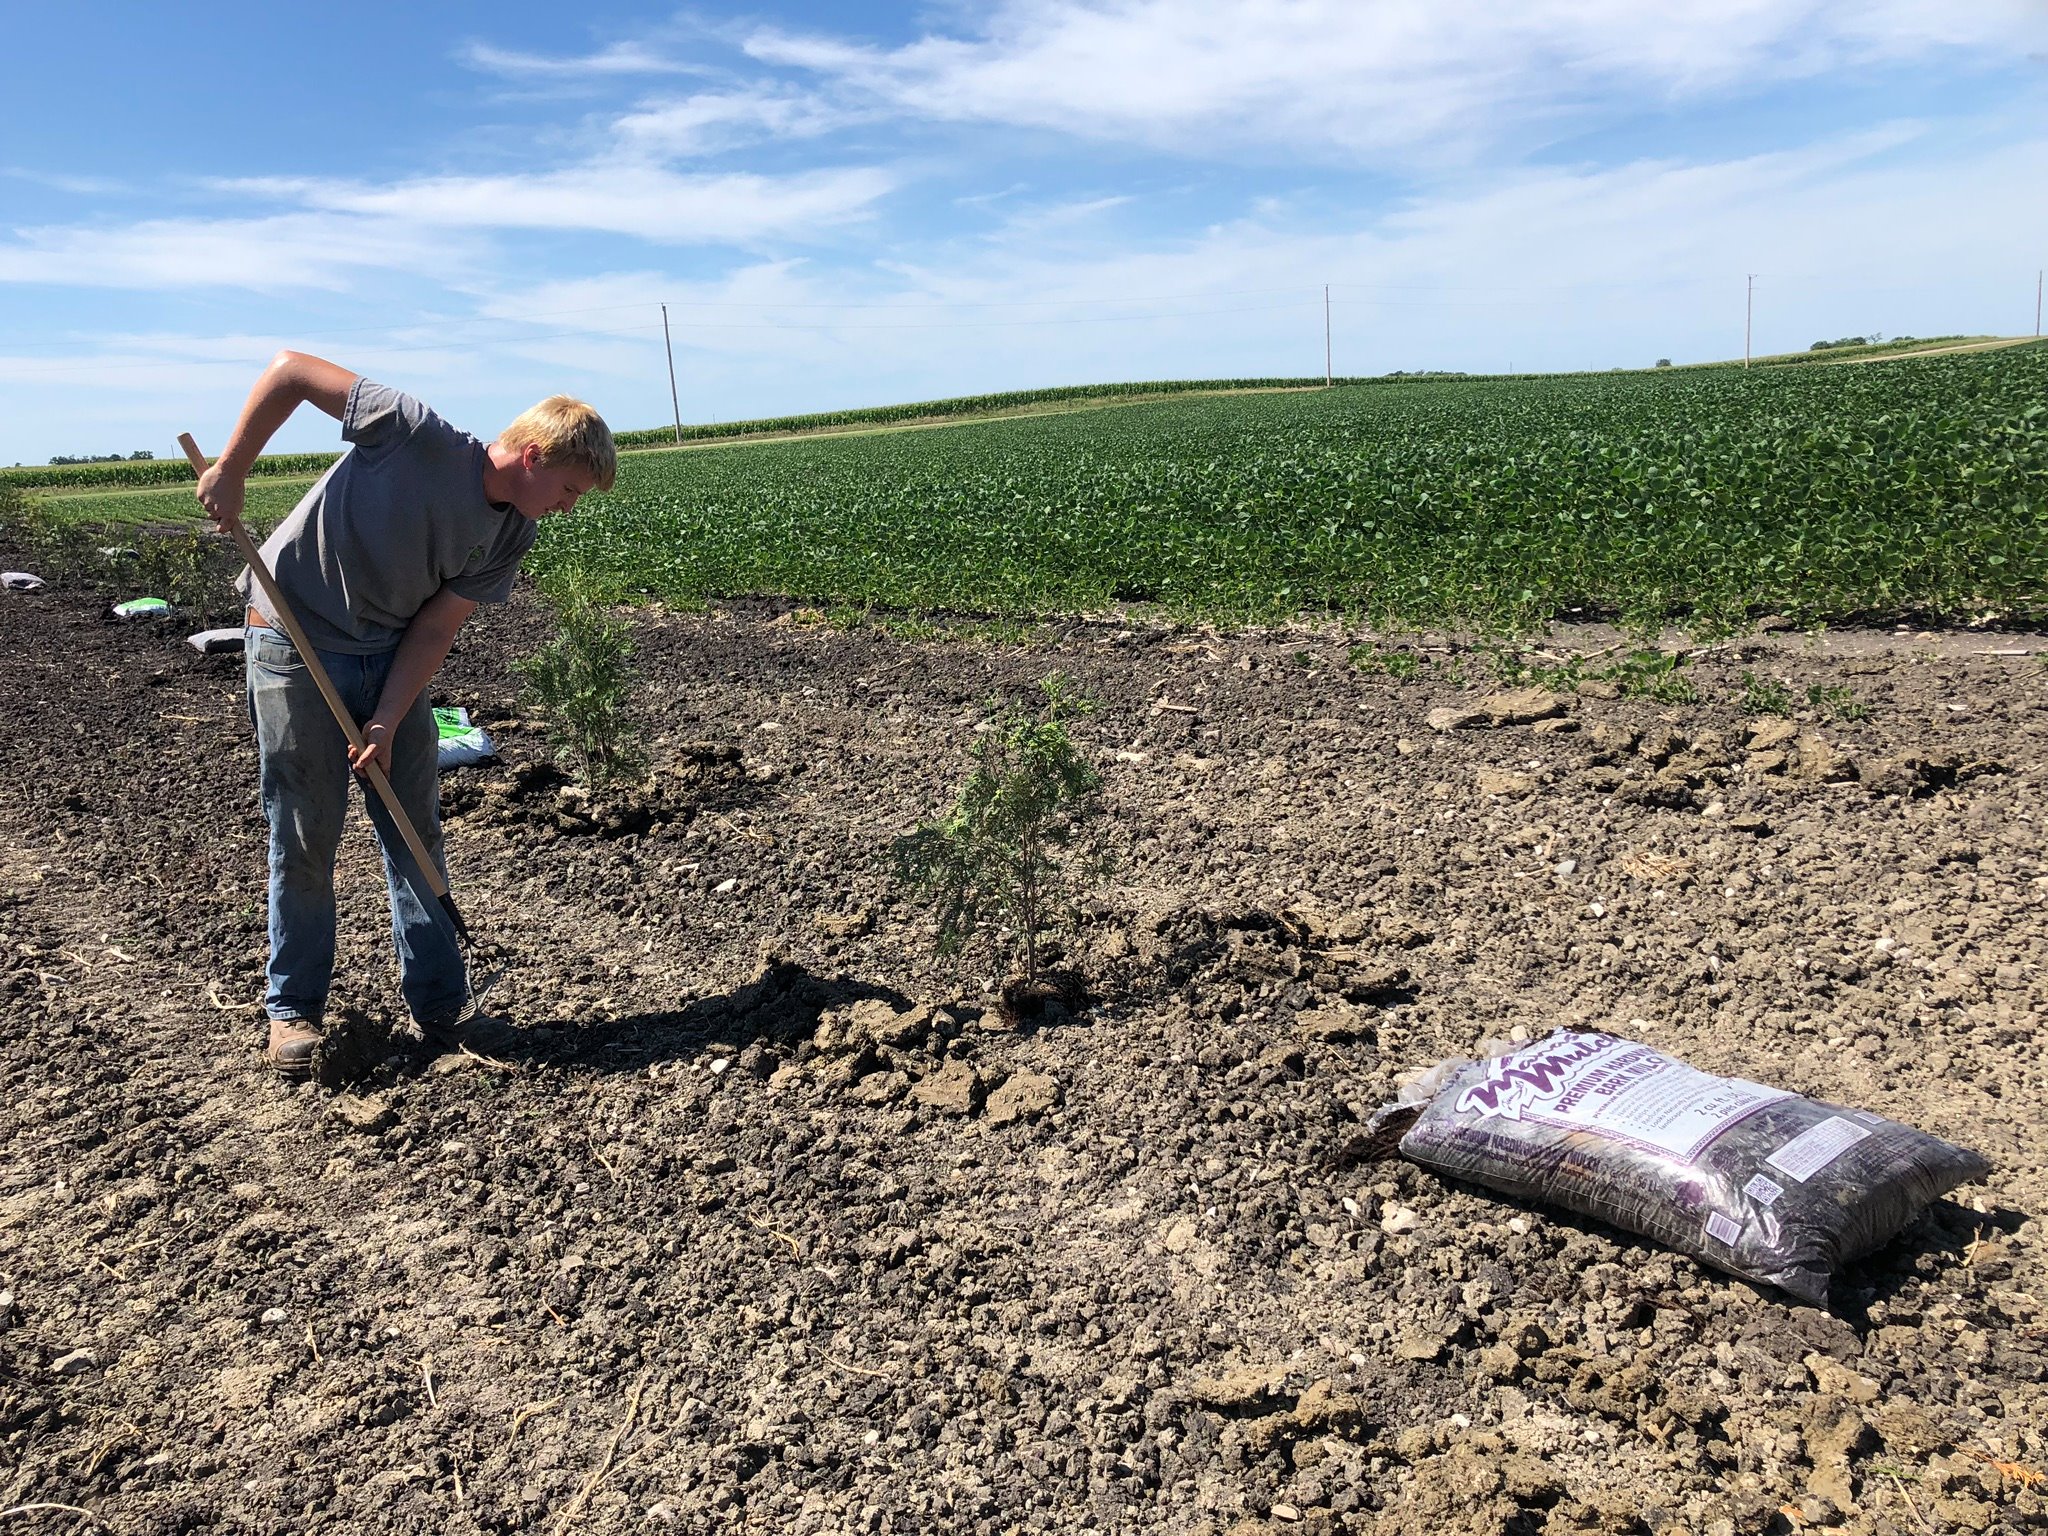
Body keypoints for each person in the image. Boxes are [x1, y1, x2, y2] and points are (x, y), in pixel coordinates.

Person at [195, 352, 615, 1075]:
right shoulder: (412, 431)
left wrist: (388, 717)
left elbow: (433, 628)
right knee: (305, 829)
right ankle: (292, 1010)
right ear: (535, 455)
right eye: (570, 489)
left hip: (388, 656)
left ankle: (442, 1004)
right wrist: (232, 466)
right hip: (294, 639)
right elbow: (291, 371)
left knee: (413, 827)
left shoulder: (513, 533)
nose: (568, 507)